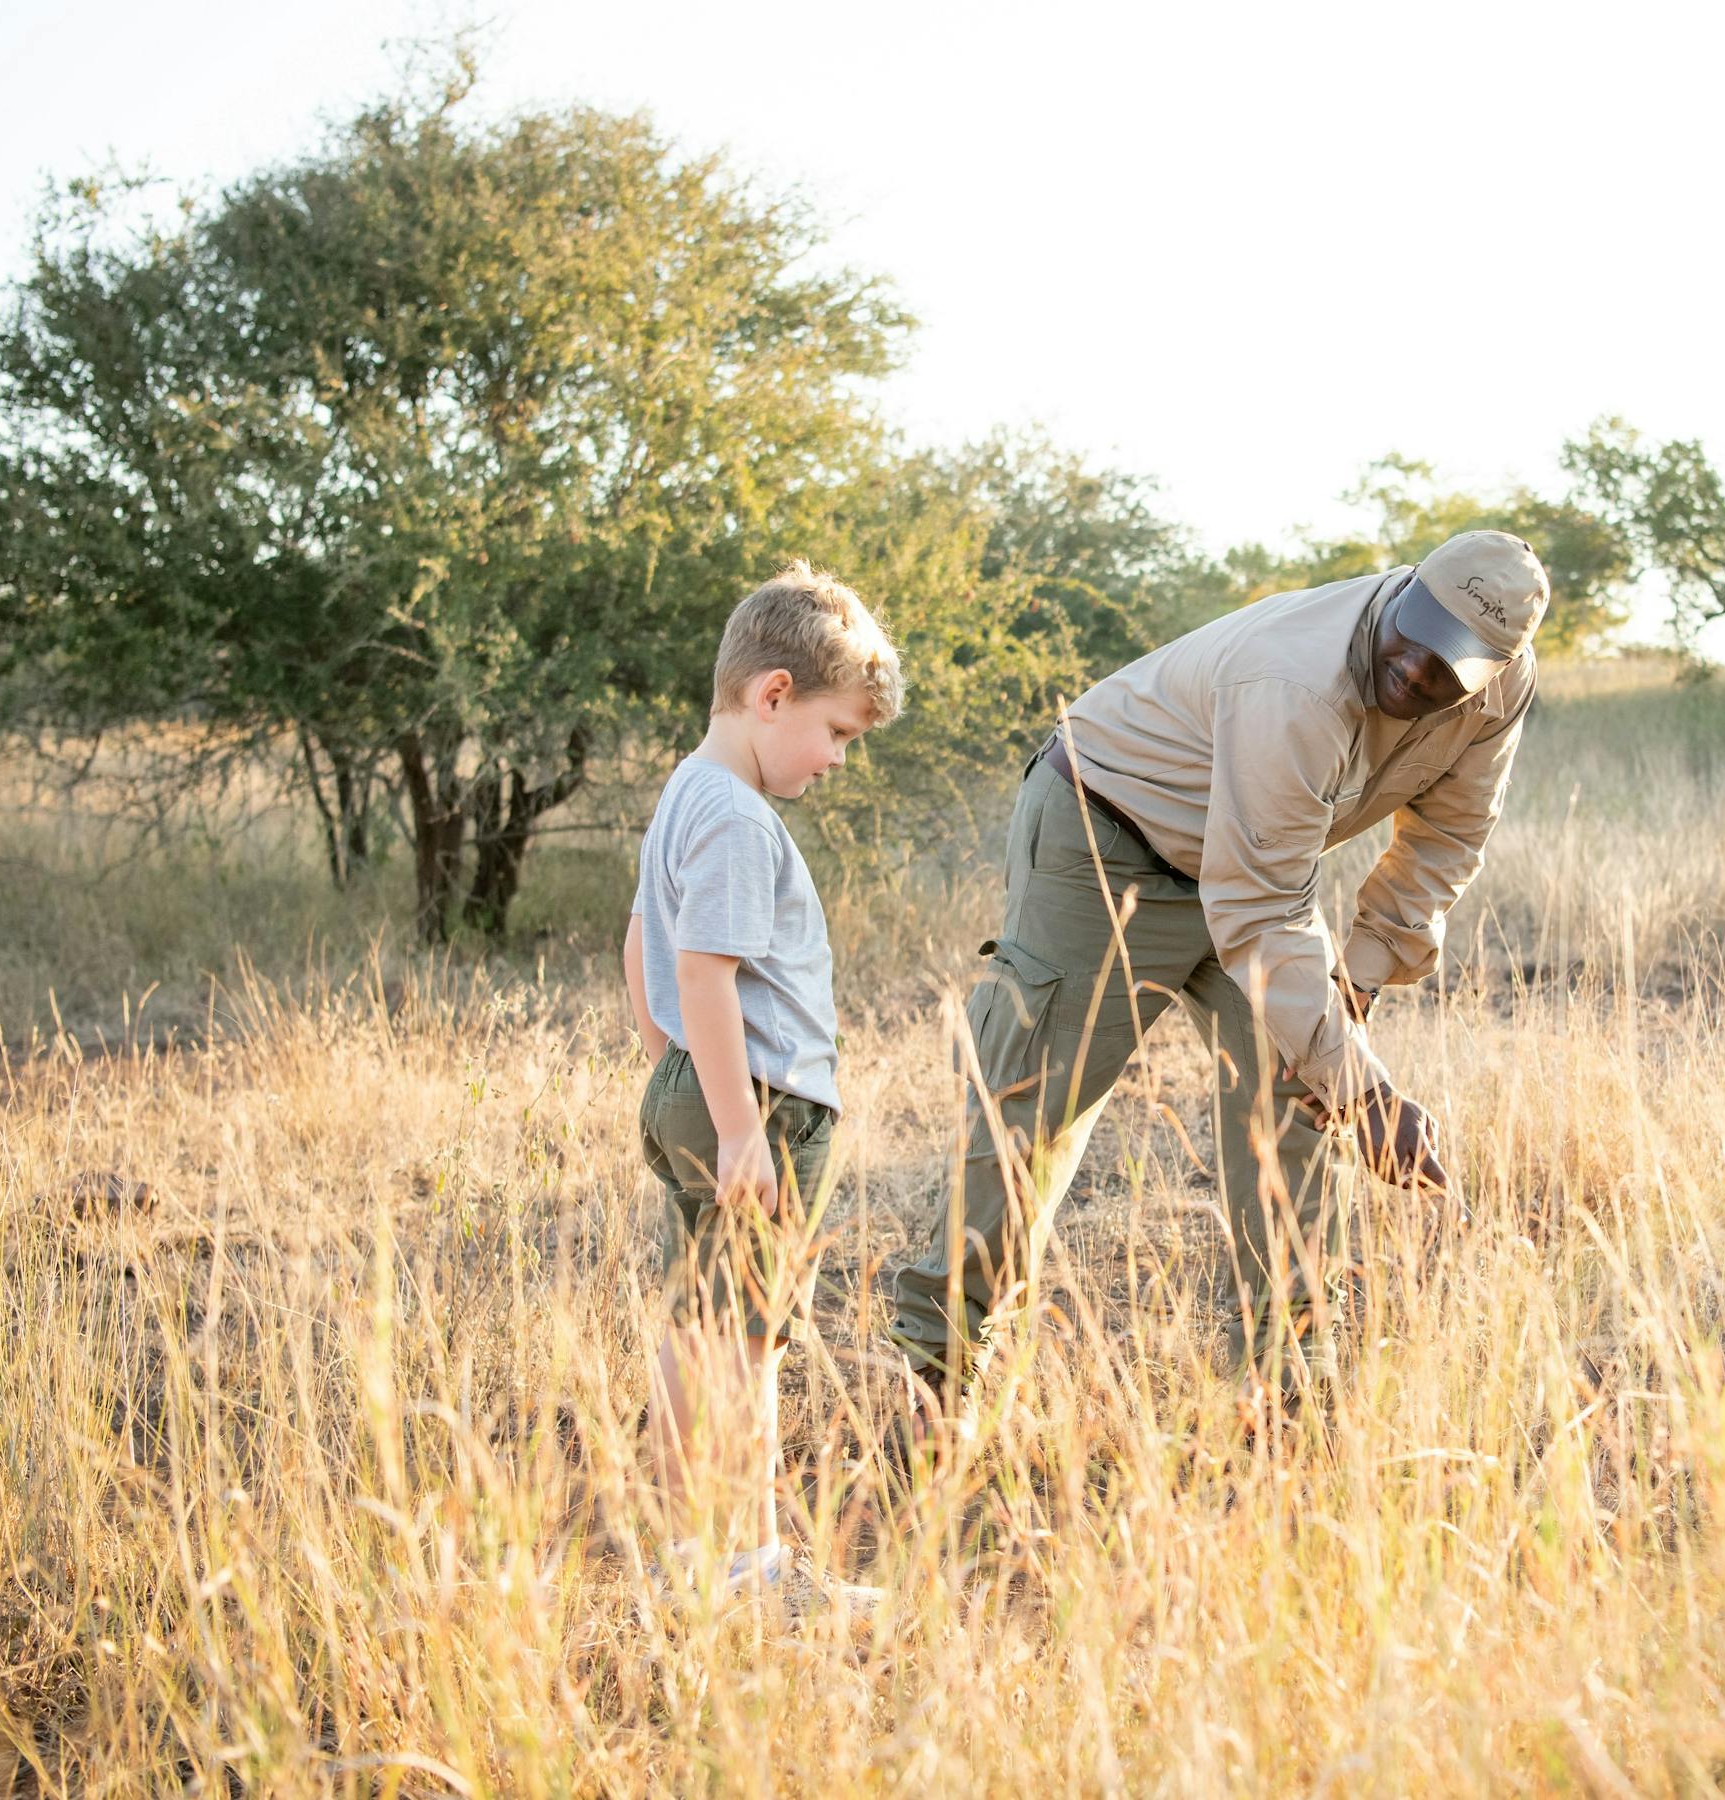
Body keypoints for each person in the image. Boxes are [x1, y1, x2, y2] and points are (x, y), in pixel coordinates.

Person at [884, 529, 1549, 1410]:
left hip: (1257, 873)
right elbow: (1261, 910)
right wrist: (1371, 1092)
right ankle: (942, 1375)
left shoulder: (1502, 690)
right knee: (1036, 1103)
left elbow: (1449, 836)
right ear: (1401, 589)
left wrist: (1359, 980)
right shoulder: (1295, 680)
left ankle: (1287, 1384)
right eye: (1413, 631)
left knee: (1297, 1103)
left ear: (1496, 667)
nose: (1416, 671)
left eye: (1449, 666)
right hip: (1106, 836)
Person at [622, 560, 902, 1590]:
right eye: (836, 733)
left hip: (701, 1086)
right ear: (771, 694)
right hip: (766, 1108)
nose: (836, 759)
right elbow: (704, 966)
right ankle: (752, 1564)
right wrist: (739, 1125)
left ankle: (684, 1555)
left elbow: (640, 939)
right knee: (751, 1340)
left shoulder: (688, 793)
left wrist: (678, 1076)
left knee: (699, 1326)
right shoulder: (743, 821)